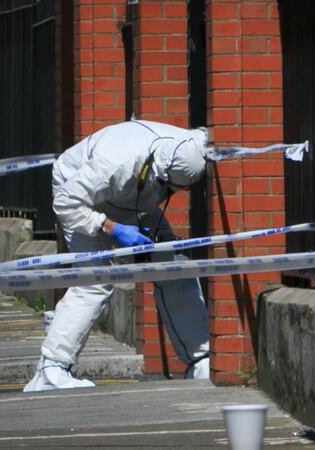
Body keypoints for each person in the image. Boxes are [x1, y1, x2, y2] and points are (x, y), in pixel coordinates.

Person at [24, 120, 211, 392]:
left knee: (174, 266)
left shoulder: (192, 144)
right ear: (157, 171)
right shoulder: (113, 165)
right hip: (82, 199)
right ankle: (51, 369)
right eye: (170, 189)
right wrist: (110, 227)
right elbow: (66, 202)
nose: (170, 195)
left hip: (134, 196)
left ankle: (201, 360)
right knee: (95, 279)